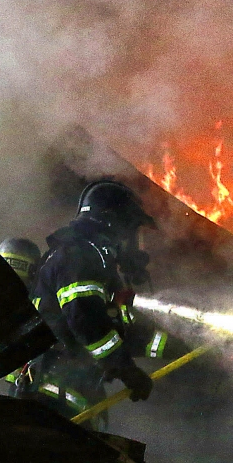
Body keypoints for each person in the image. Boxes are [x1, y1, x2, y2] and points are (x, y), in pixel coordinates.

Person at [27, 180, 161, 426]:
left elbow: (122, 336)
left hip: (70, 405)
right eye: (135, 233)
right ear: (116, 224)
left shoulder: (97, 266)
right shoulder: (79, 255)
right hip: (51, 405)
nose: (139, 247)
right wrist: (126, 370)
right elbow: (85, 319)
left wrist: (190, 343)